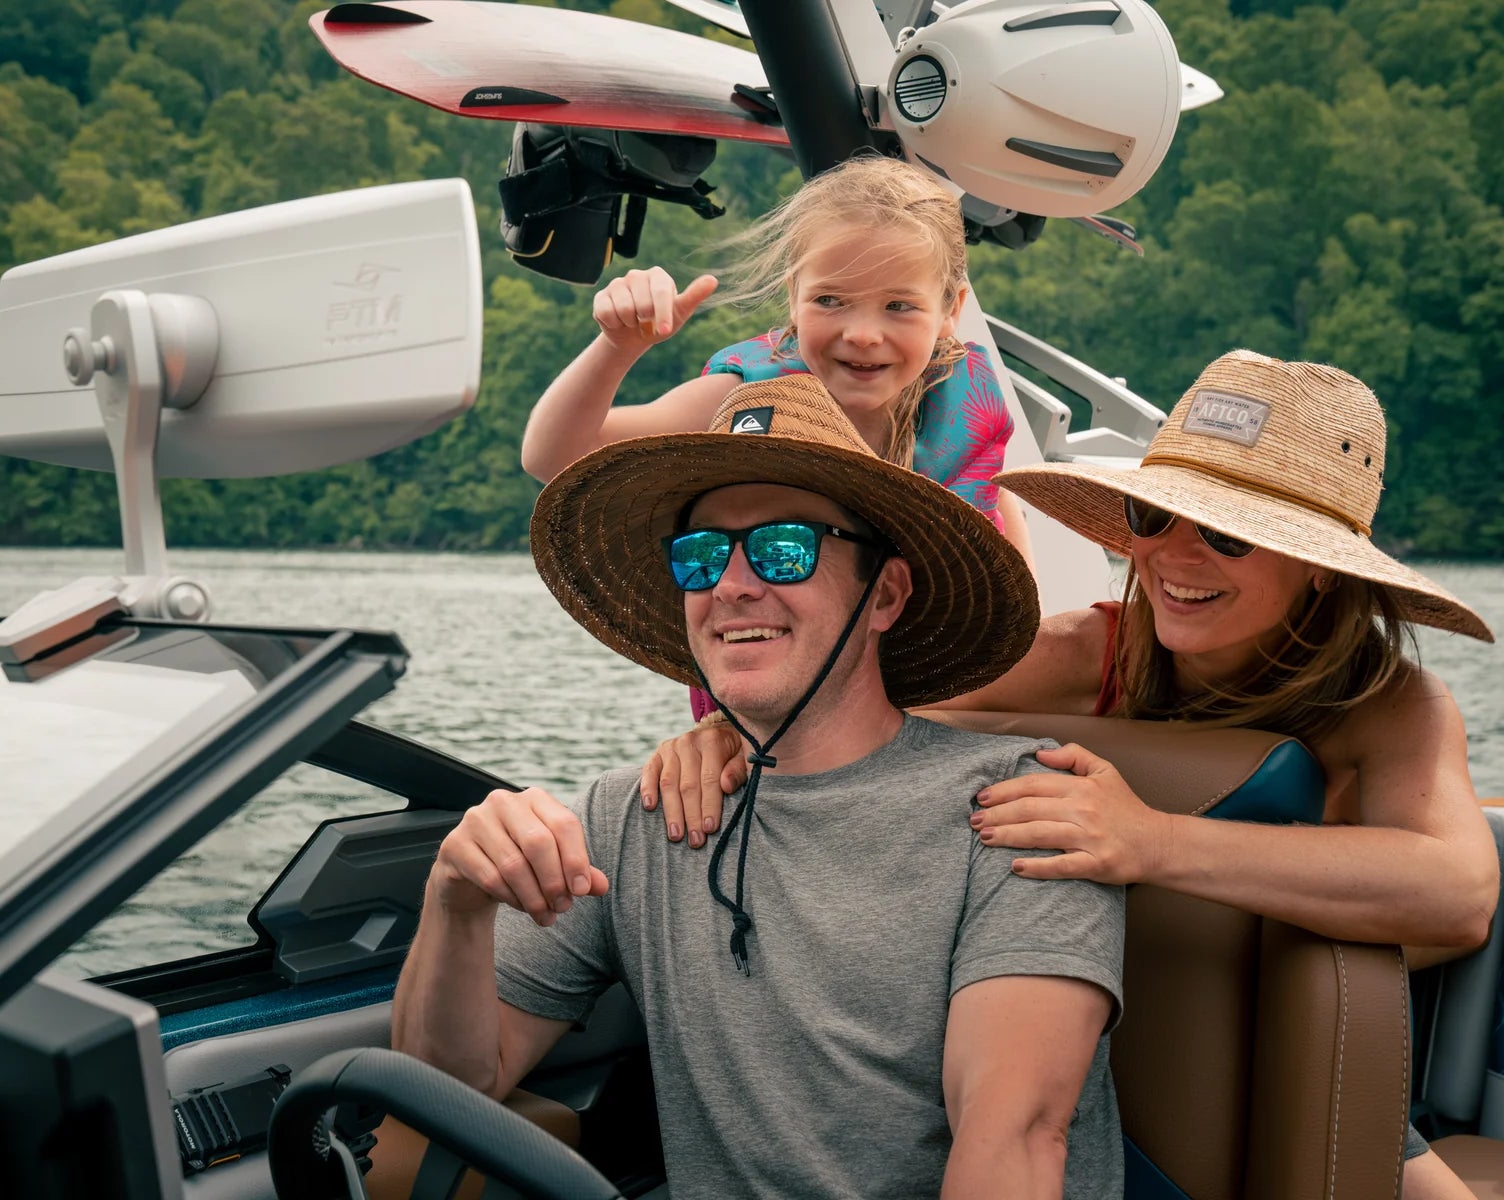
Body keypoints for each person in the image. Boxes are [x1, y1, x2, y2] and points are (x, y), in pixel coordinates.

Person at [637, 350, 1500, 1198]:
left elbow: (1458, 893)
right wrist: (734, 740)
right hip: (1083, 1009)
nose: (1174, 558)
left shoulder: (1388, 703)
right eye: (1153, 517)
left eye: (1229, 536)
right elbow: (834, 691)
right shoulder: (1096, 651)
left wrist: (1151, 841)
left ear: (1318, 564)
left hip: (1327, 1032)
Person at [393, 374, 1127, 1197]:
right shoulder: (633, 815)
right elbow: (452, 1088)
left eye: (785, 548)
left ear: (885, 593)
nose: (733, 585)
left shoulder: (1022, 807)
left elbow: (1016, 1141)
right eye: (702, 556)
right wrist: (455, 902)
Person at [518, 154, 1035, 565]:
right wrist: (617, 347)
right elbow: (552, 457)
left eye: (899, 306)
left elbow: (1011, 603)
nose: (860, 335)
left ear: (951, 310)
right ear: (794, 297)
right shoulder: (744, 399)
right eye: (829, 301)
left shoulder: (965, 409)